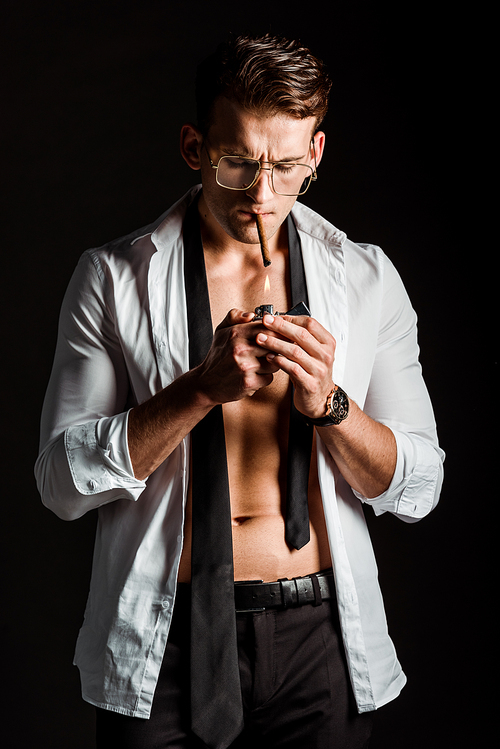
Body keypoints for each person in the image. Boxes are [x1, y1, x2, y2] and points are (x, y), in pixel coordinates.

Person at [35, 34, 444, 749]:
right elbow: (60, 483)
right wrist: (197, 388)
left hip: (321, 639)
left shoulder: (368, 278)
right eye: (236, 163)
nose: (262, 195)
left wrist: (332, 407)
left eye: (287, 168)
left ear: (315, 154)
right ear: (194, 147)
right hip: (163, 638)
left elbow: (418, 486)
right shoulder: (111, 278)